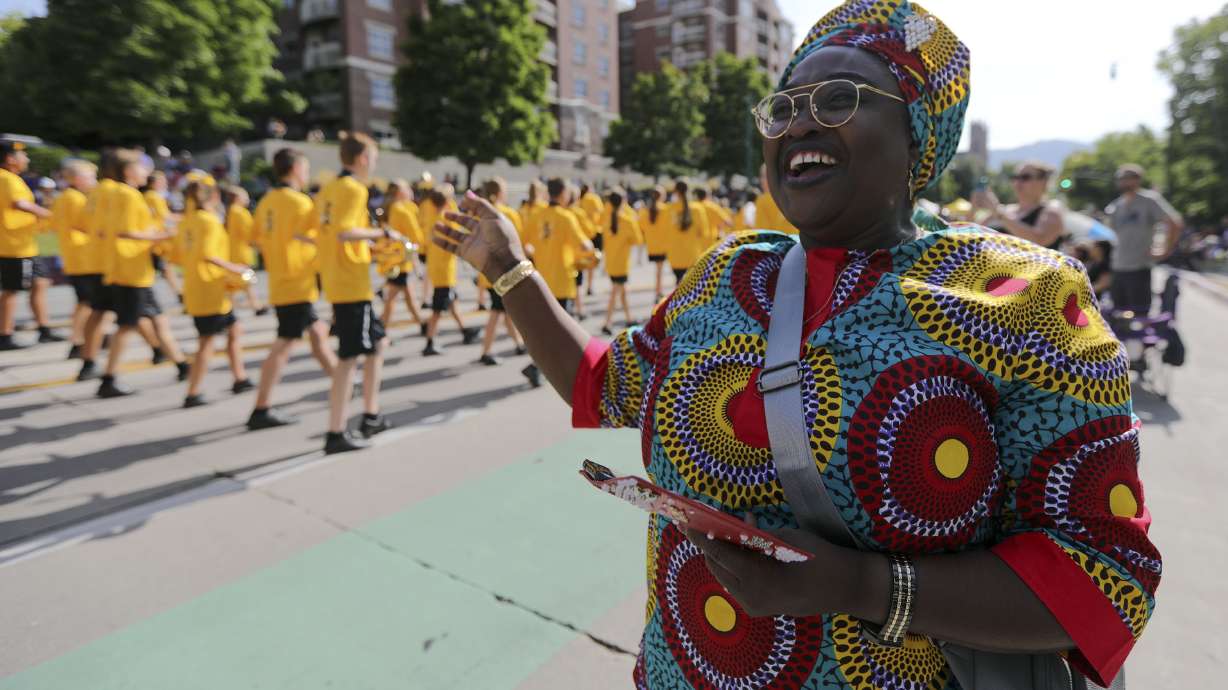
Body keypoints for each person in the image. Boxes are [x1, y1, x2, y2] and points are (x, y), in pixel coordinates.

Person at [434, 2, 1159, 688]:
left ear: (918, 134)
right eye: (784, 108)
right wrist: (508, 267)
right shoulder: (729, 273)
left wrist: (862, 586)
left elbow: (1105, 574)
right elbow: (604, 383)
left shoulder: (1023, 297)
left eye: (839, 99)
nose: (800, 125)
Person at [316, 132, 397, 454]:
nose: (374, 163)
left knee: (376, 344)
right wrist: (383, 232)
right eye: (373, 157)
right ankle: (335, 431)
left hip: (342, 279)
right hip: (350, 283)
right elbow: (344, 233)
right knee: (348, 358)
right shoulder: (353, 188)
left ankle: (371, 414)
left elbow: (323, 231)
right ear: (363, 158)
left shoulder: (329, 189)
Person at [247, 148, 338, 430]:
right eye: (306, 167)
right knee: (284, 344)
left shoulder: (266, 202)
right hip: (297, 281)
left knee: (318, 333)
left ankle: (342, 380)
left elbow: (255, 239)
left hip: (281, 279)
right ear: (297, 168)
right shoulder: (301, 203)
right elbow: (322, 236)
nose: (307, 173)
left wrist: (280, 249)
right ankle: (261, 407)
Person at [96, 148, 189, 398]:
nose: (145, 172)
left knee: (159, 319)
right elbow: (124, 232)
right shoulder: (128, 196)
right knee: (126, 326)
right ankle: (108, 378)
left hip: (135, 270)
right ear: (128, 171)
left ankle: (182, 364)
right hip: (131, 270)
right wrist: (162, 235)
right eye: (141, 167)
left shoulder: (122, 194)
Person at [178, 181, 253, 408]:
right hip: (209, 286)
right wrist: (236, 269)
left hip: (198, 284)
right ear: (214, 196)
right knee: (207, 341)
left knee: (234, 330)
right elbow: (209, 254)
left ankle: (239, 377)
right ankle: (193, 391)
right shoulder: (208, 220)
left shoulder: (188, 220)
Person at [1106, 163, 1183, 313]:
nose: (1125, 182)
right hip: (1117, 267)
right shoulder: (1116, 205)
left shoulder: (1149, 200)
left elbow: (1174, 223)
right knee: (1117, 316)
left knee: (1140, 315)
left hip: (1139, 267)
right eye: (1122, 178)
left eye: (1130, 177)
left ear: (1138, 180)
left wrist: (1165, 250)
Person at [0, 140, 54, 350]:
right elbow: (19, 204)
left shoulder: (11, 178)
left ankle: (44, 329)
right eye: (23, 155)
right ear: (10, 159)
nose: (27, 159)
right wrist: (49, 215)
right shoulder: (8, 179)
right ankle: (4, 334)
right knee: (12, 290)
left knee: (40, 283)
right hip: (15, 247)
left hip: (24, 244)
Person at [421, 183, 479, 356]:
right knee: (438, 308)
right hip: (444, 269)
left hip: (437, 266)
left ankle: (465, 331)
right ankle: (429, 340)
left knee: (452, 302)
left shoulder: (432, 215)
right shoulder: (445, 218)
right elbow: (459, 234)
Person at [50, 159, 100, 359]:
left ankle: (79, 338)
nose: (95, 181)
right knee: (88, 302)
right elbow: (87, 225)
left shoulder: (64, 197)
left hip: (73, 256)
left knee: (84, 302)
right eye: (91, 177)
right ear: (78, 179)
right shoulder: (77, 199)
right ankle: (78, 340)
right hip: (83, 257)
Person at [475, 177, 527, 366]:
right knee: (498, 312)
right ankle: (486, 350)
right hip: (505, 272)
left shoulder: (480, 214)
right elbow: (518, 242)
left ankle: (519, 343)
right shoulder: (507, 214)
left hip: (488, 270)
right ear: (499, 193)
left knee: (505, 312)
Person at [978, 161, 1066, 251]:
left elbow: (1039, 240)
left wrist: (1000, 214)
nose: (1018, 182)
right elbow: (972, 234)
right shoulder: (1003, 210)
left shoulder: (1051, 210)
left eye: (1025, 177)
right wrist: (974, 206)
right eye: (1015, 177)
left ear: (1043, 182)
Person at [378, 179, 426, 331]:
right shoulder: (402, 210)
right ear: (400, 192)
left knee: (404, 295)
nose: (411, 190)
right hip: (402, 259)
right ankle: (380, 329)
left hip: (396, 259)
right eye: (407, 188)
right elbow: (417, 237)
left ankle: (421, 323)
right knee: (394, 298)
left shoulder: (394, 207)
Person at [598, 187, 643, 336]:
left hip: (611, 261)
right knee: (615, 293)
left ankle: (629, 318)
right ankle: (607, 322)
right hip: (622, 263)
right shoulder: (627, 220)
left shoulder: (606, 218)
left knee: (621, 292)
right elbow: (638, 240)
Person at [223, 185, 267, 315]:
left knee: (234, 283)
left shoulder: (230, 211)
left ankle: (229, 308)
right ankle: (256, 306)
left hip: (232, 251)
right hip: (242, 252)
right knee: (246, 280)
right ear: (237, 198)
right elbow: (250, 233)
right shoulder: (241, 212)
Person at [664, 180, 711, 284]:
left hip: (674, 255)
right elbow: (704, 233)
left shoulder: (669, 209)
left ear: (676, 192)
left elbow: (664, 232)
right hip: (692, 254)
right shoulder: (698, 208)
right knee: (692, 288)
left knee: (678, 286)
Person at [638, 186, 670, 302]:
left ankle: (658, 291)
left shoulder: (646, 211)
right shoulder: (666, 209)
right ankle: (658, 292)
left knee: (658, 271)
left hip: (652, 245)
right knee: (660, 271)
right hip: (664, 245)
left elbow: (641, 227)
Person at [752, 163, 800, 234]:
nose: (761, 180)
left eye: (764, 176)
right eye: (761, 176)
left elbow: (762, 233)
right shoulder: (793, 197)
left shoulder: (763, 200)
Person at [579, 183, 605, 296]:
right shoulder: (594, 198)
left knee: (582, 261)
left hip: (583, 234)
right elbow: (601, 212)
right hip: (594, 232)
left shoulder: (580, 200)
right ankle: (589, 286)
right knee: (592, 262)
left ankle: (581, 287)